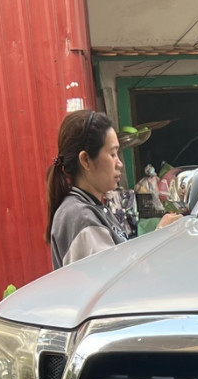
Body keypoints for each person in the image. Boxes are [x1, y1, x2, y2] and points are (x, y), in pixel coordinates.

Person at [45, 110, 140, 269]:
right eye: (112, 154)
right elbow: (114, 277)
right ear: (86, 160)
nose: (119, 163)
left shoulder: (91, 207)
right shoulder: (82, 217)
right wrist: (159, 235)